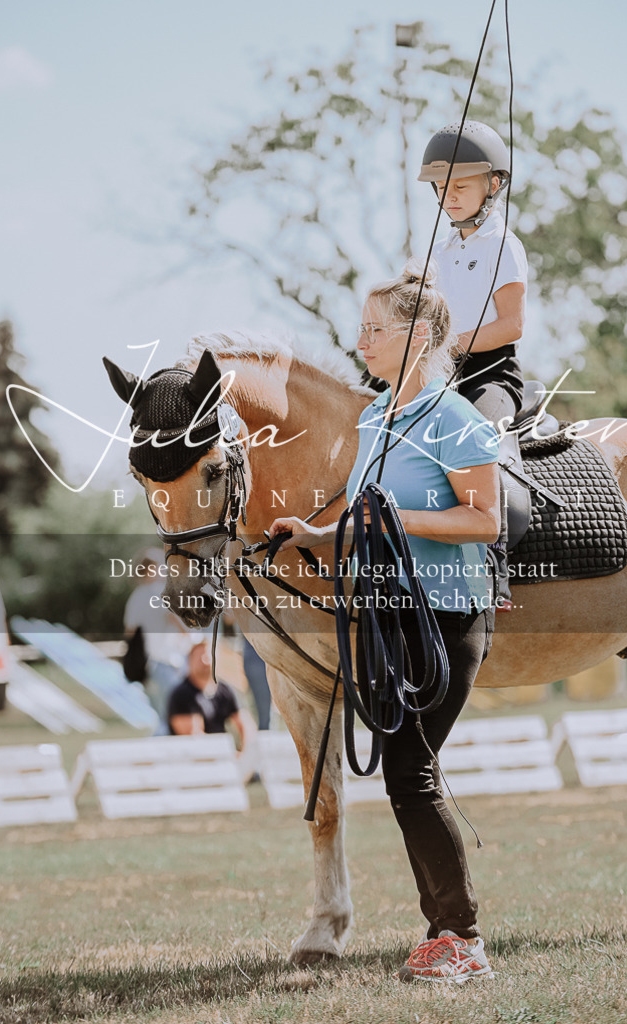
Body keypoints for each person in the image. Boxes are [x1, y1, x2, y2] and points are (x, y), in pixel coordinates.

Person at [270, 261, 500, 984]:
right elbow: (362, 517)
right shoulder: (375, 416)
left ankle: (462, 939)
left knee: (411, 771)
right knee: (405, 774)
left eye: (375, 329)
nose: (360, 340)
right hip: (385, 613)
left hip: (446, 615)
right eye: (361, 328)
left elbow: (485, 520)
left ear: (419, 336)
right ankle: (445, 933)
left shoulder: (457, 419)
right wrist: (311, 535)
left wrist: (399, 517)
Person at [418, 120, 528, 608]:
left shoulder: (502, 244)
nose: (449, 196)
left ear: (495, 184)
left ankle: (493, 565)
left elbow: (512, 325)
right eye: (442, 187)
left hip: (491, 374)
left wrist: (453, 346)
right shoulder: (440, 252)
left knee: (477, 438)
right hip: (440, 376)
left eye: (460, 186)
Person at [123, 548, 190, 732]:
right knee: (172, 719)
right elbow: (180, 625)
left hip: (147, 666)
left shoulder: (135, 597)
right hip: (168, 662)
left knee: (161, 716)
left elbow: (129, 632)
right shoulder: (162, 593)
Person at [168, 641, 254, 759]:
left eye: (208, 656)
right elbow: (194, 736)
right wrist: (226, 755)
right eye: (199, 657)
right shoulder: (182, 694)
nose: (204, 661)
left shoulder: (226, 690)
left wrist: (244, 753)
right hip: (191, 759)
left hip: (223, 755)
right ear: (189, 662)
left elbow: (245, 724)